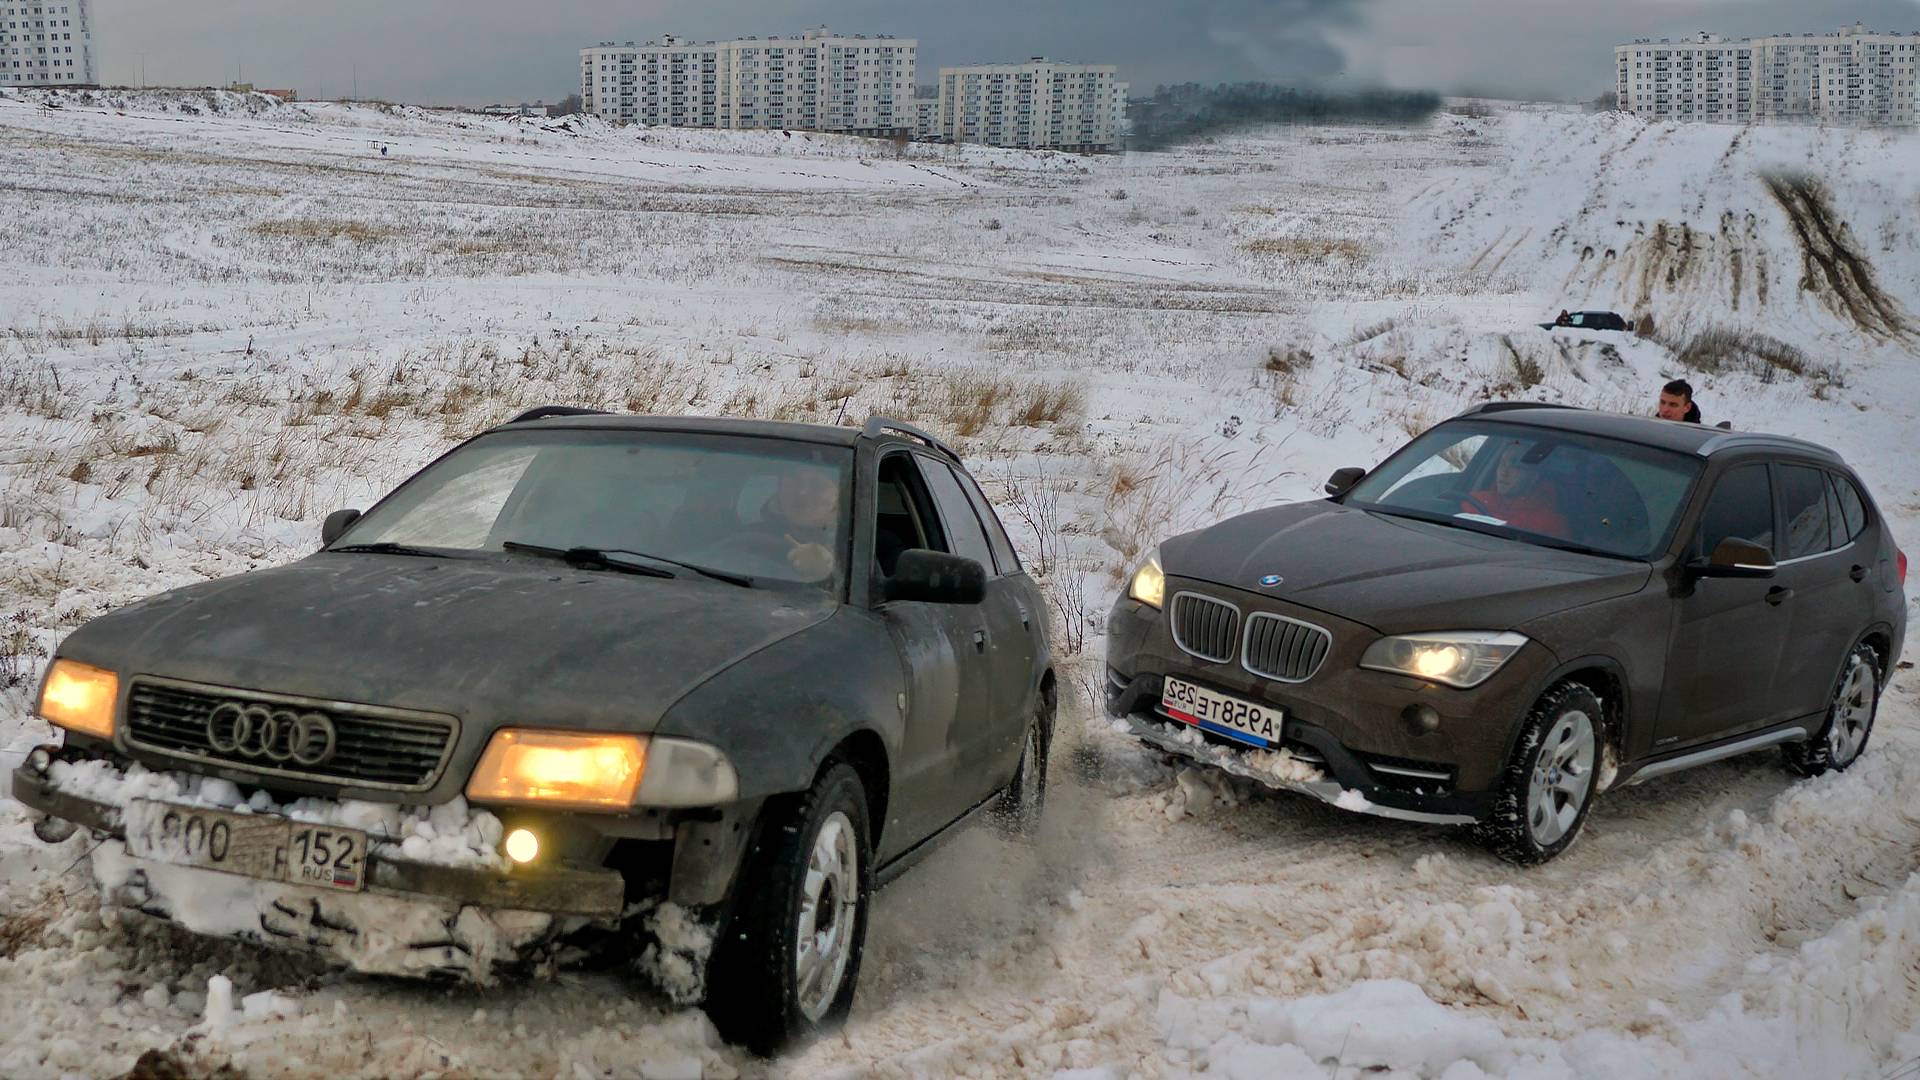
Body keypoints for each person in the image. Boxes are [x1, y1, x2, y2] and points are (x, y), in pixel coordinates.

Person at [1463, 440, 1569, 536]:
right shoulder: (1475, 501)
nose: (1504, 472)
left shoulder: (1549, 523)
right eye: (1502, 464)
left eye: (1515, 465)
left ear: (1533, 476)